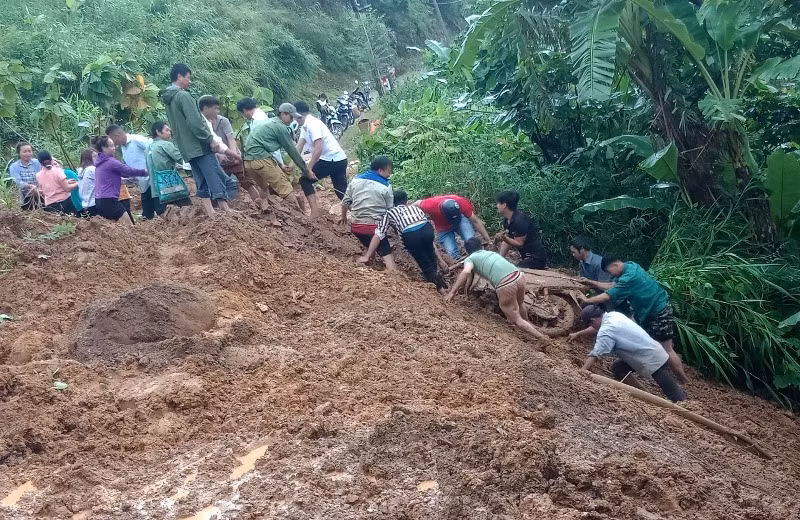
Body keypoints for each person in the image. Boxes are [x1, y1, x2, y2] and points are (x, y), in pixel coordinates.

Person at [581, 255, 689, 383]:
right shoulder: (631, 266)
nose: (611, 275)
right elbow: (612, 285)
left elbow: (608, 295)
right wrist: (591, 282)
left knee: (667, 349)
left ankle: (684, 381)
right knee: (655, 345)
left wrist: (587, 300)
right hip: (650, 311)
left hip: (658, 312)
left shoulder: (628, 278)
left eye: (610, 272)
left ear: (615, 265)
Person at [162, 63, 238, 216]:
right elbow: (195, 122)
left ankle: (211, 212)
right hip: (199, 145)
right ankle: (225, 209)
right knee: (214, 174)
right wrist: (210, 139)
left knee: (200, 179)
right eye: (188, 78)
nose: (189, 81)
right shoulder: (183, 95)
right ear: (179, 77)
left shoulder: (168, 99)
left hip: (186, 148)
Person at [445, 237, 549, 342]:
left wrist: (452, 292)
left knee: (515, 319)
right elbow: (470, 277)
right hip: (519, 275)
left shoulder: (470, 258)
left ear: (467, 251)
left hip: (506, 284)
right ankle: (528, 323)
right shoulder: (491, 253)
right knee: (520, 303)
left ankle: (542, 339)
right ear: (481, 246)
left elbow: (466, 272)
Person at [579, 305, 687, 402]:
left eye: (591, 325)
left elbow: (596, 353)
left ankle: (687, 407)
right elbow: (601, 335)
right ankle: (643, 393)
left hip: (651, 360)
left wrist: (582, 371)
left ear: (593, 320)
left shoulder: (607, 329)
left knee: (675, 395)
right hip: (651, 352)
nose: (593, 328)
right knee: (618, 368)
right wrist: (579, 334)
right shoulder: (614, 315)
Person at [360, 190, 448, 291]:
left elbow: (378, 234)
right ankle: (437, 279)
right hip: (427, 230)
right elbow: (428, 237)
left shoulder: (389, 213)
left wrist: (367, 255)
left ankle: (441, 291)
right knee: (430, 256)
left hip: (411, 235)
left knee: (425, 263)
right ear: (406, 201)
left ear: (392, 203)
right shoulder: (415, 208)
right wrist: (440, 260)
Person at [242, 103, 311, 212]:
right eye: (291, 117)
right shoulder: (280, 127)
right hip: (261, 159)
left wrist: (280, 165)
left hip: (249, 162)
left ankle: (265, 212)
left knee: (264, 188)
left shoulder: (268, 122)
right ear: (283, 114)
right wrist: (306, 170)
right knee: (286, 188)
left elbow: (263, 148)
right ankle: (300, 217)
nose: (292, 120)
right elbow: (292, 151)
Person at [293, 100, 349, 218]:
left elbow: (318, 148)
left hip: (332, 160)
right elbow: (299, 146)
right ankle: (362, 214)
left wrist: (309, 168)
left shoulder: (312, 125)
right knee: (341, 191)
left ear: (298, 115)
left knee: (305, 180)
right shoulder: (305, 126)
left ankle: (314, 213)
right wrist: (291, 164)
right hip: (339, 158)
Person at [341, 156, 397, 269]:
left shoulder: (355, 180)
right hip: (374, 228)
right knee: (386, 253)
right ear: (380, 170)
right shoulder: (386, 186)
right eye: (388, 172)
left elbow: (345, 202)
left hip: (356, 227)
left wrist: (344, 217)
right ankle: (394, 276)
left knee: (370, 242)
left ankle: (371, 264)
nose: (389, 175)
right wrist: (395, 228)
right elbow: (390, 210)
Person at [414, 194, 491, 260]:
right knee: (452, 255)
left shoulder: (461, 202)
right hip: (443, 227)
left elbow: (476, 221)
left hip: (460, 221)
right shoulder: (430, 205)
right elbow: (417, 203)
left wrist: (488, 240)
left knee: (472, 242)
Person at [106, 124, 159, 219]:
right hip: (143, 182)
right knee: (148, 209)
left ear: (116, 136)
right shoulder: (123, 148)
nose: (112, 144)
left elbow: (154, 148)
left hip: (152, 180)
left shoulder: (137, 140)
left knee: (158, 207)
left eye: (112, 141)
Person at [93, 136, 148, 225]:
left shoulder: (100, 163)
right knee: (129, 226)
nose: (114, 148)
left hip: (100, 201)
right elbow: (129, 171)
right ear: (104, 148)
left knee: (117, 229)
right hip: (109, 201)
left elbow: (119, 174)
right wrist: (146, 172)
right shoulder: (111, 162)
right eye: (111, 146)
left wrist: (129, 179)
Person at [147, 121, 193, 218]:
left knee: (162, 212)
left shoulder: (147, 149)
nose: (169, 132)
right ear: (158, 132)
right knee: (187, 208)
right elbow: (183, 159)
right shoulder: (165, 144)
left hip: (156, 189)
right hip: (171, 185)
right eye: (167, 130)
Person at [495, 190, 548, 269]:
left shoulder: (520, 221)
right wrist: (499, 258)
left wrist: (505, 238)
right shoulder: (507, 220)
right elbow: (507, 241)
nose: (497, 206)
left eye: (498, 203)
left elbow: (519, 244)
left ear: (504, 205)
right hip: (526, 256)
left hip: (536, 257)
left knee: (515, 271)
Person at [8, 142, 42, 210]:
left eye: (29, 151)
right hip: (26, 196)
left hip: (41, 193)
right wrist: (30, 186)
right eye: (24, 152)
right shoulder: (14, 167)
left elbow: (43, 175)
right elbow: (18, 181)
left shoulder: (37, 162)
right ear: (19, 153)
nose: (28, 154)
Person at [77, 148, 98, 217]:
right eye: (95, 156)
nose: (97, 158)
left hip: (85, 204)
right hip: (94, 203)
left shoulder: (80, 170)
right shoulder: (92, 169)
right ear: (88, 158)